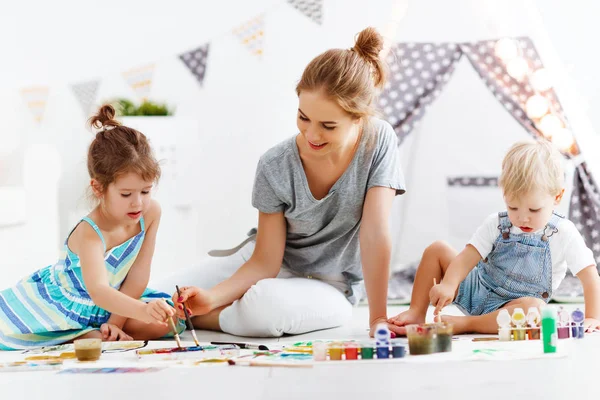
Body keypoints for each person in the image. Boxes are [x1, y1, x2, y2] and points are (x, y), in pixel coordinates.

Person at [159, 27, 405, 337]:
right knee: (153, 297)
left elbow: (375, 232)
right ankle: (210, 310)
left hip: (332, 286)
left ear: (359, 118)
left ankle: (204, 319)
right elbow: (265, 262)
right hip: (270, 263)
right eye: (303, 118)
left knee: (264, 306)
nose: (312, 135)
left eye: (328, 126)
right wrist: (212, 296)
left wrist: (378, 319)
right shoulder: (274, 164)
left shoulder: (378, 141)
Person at [0, 105, 182, 350]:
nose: (138, 202)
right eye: (126, 193)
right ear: (98, 188)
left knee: (168, 323)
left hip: (118, 299)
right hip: (70, 305)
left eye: (146, 191)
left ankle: (102, 330)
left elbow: (138, 277)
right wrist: (141, 310)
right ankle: (80, 333)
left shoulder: (151, 213)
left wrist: (117, 323)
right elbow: (98, 291)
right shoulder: (89, 232)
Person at [389, 139, 600, 334]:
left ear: (558, 197)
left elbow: (589, 276)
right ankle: (416, 312)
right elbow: (466, 258)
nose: (522, 218)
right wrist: (449, 284)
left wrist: (592, 317)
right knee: (437, 249)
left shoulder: (563, 232)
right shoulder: (497, 224)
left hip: (513, 310)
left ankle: (467, 324)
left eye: (534, 210)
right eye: (513, 207)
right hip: (479, 289)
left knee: (536, 309)